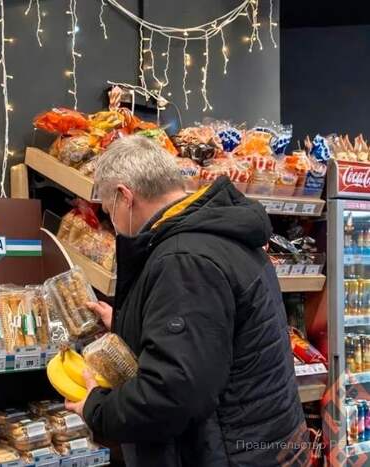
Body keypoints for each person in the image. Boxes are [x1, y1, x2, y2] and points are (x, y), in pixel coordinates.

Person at [65, 135, 309, 466]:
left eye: (109, 211)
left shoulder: (184, 260)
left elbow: (173, 394)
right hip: (261, 444)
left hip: (227, 454)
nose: (114, 224)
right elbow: (206, 339)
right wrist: (128, 323)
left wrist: (98, 409)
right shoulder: (218, 232)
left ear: (125, 197)